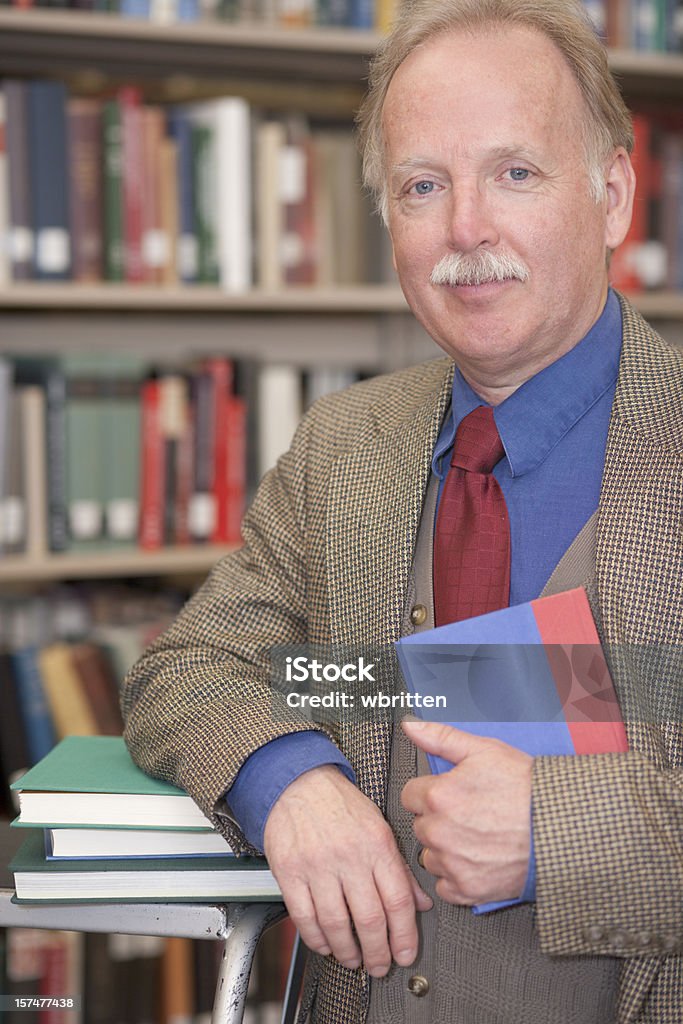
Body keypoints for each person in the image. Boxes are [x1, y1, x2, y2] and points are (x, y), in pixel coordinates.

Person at [121, 1, 683, 1021]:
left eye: (514, 172)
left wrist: (560, 834)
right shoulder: (345, 446)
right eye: (424, 186)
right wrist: (286, 777)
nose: (465, 227)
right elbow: (188, 667)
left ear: (610, 196)